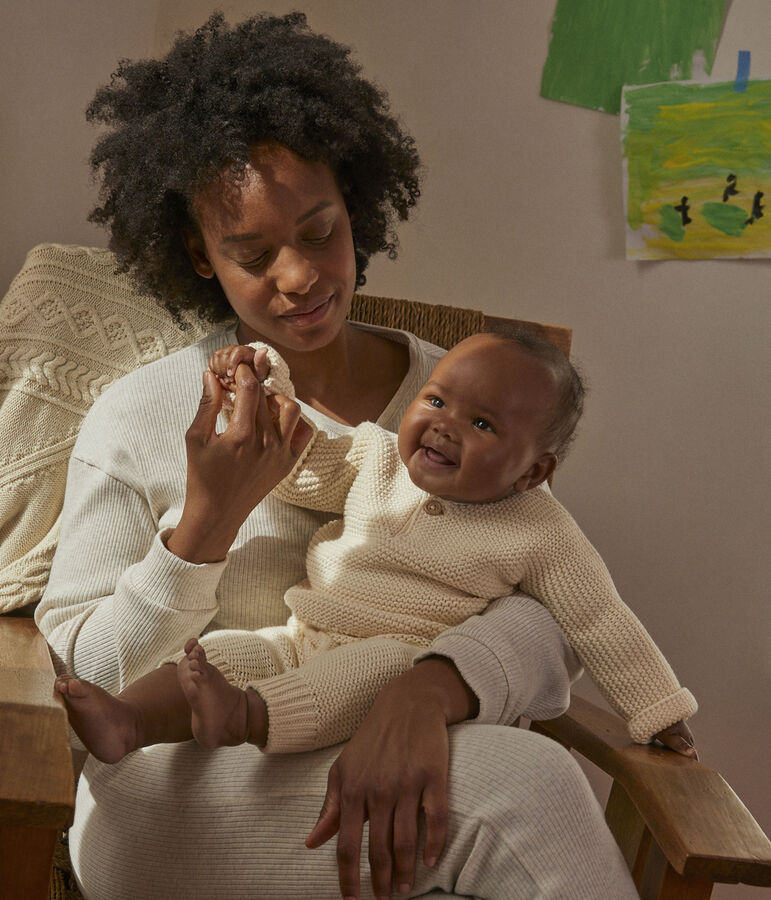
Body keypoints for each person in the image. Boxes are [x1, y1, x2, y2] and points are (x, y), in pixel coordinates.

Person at [36, 12, 651, 900]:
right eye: (252, 254)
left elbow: (552, 611)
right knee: (524, 790)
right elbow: (73, 684)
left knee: (508, 783)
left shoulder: (460, 401)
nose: (299, 275)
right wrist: (201, 529)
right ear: (198, 256)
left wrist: (429, 690)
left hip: (393, 747)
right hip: (176, 783)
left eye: (319, 231)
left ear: (355, 209)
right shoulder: (139, 416)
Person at [55, 332, 696, 766]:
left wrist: (657, 710)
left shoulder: (541, 529)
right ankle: (130, 722)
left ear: (532, 472)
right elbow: (299, 458)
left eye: (482, 424)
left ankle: (244, 718)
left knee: (362, 675)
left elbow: (599, 620)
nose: (444, 424)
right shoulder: (378, 457)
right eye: (437, 400)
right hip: (300, 635)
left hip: (403, 661)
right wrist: (265, 381)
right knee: (214, 658)